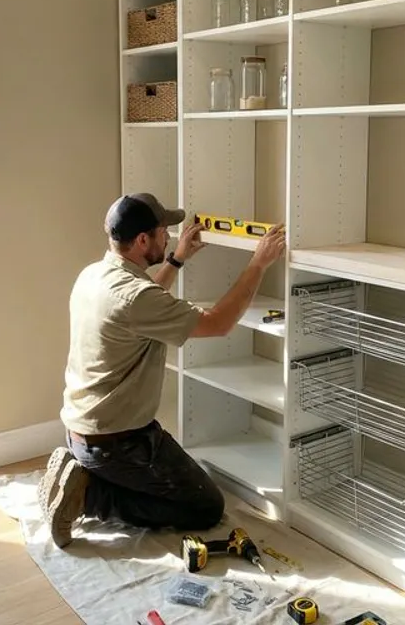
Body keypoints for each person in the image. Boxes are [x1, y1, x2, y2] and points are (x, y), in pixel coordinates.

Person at [37, 192, 286, 548]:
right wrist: (258, 264)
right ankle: (90, 495)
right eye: (161, 232)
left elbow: (143, 302)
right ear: (142, 240)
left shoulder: (95, 275)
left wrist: (177, 259)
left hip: (85, 432)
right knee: (205, 507)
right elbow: (217, 324)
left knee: (182, 485)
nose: (168, 236)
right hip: (119, 444)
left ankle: (82, 472)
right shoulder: (137, 297)